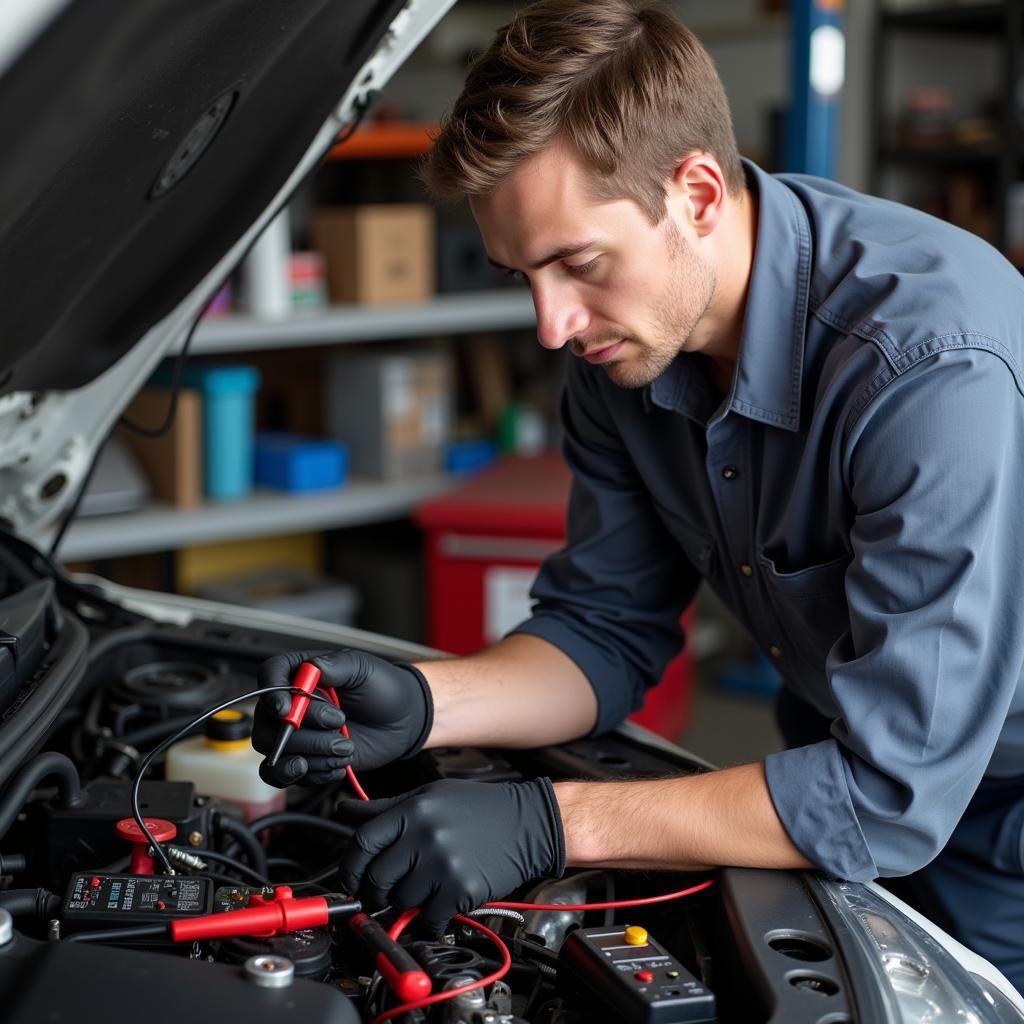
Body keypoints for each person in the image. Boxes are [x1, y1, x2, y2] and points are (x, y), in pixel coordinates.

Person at [252, 0, 1024, 987]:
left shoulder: (924, 365)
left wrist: (550, 824)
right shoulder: (624, 347)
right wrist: (428, 700)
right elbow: (606, 631)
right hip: (825, 764)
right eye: (521, 274)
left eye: (576, 264)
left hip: (996, 813)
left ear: (696, 193)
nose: (550, 324)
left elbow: (887, 796)